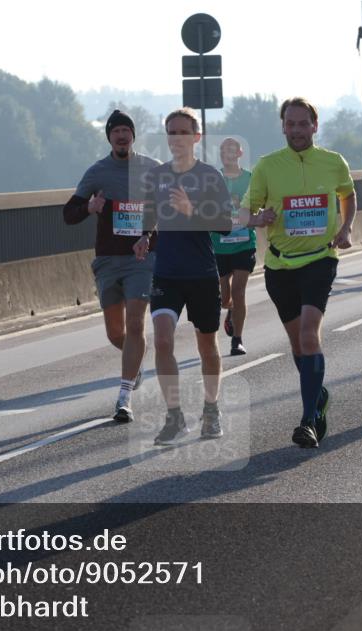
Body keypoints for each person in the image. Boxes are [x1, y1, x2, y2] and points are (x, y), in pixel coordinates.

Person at [238, 97, 355, 448]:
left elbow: (348, 194)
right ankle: (317, 396)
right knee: (297, 345)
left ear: (314, 126)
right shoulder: (267, 166)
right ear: (283, 126)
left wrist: (346, 226)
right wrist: (257, 219)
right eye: (290, 124)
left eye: (303, 123)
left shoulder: (333, 162)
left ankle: (308, 420)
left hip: (321, 259)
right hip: (279, 266)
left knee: (308, 334)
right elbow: (245, 211)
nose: (297, 130)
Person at [133, 108, 232, 445]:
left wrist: (193, 211)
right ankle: (174, 416)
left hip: (202, 272)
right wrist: (145, 236)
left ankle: (211, 408)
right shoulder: (157, 176)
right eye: (171, 132)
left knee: (207, 344)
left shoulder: (209, 176)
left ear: (196, 137)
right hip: (167, 273)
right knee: (162, 340)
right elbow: (150, 214)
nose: (177, 138)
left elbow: (225, 222)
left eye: (183, 132)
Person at [64, 110, 160, 423]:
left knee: (135, 325)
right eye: (116, 131)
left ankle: (124, 397)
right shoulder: (98, 172)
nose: (121, 136)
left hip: (142, 258)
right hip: (108, 259)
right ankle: (135, 362)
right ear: (109, 137)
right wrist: (90, 206)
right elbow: (69, 213)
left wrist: (148, 233)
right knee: (115, 332)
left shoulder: (151, 168)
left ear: (133, 136)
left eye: (126, 130)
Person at [213, 137, 256, 356]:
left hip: (244, 243)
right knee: (224, 297)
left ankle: (237, 340)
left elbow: (260, 203)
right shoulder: (214, 178)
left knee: (239, 292)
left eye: (231, 150)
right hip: (218, 245)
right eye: (223, 150)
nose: (226, 153)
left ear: (239, 154)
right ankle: (230, 311)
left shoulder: (251, 178)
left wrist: (255, 215)